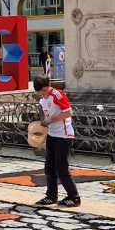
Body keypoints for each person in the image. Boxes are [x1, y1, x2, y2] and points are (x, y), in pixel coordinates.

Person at [34, 76, 80, 207]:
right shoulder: (42, 100)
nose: (41, 94)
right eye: (40, 93)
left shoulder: (57, 94)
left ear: (45, 88)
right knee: (49, 167)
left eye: (42, 92)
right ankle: (51, 196)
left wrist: (50, 120)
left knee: (61, 168)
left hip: (63, 135)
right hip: (52, 134)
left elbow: (68, 112)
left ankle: (74, 197)